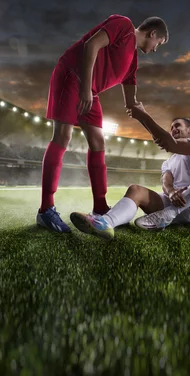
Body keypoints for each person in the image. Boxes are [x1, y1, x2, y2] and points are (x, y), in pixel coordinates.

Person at [37, 14, 169, 233]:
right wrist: (86, 88)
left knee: (98, 142)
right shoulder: (124, 25)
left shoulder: (133, 61)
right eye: (159, 43)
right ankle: (45, 210)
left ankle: (100, 207)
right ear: (153, 33)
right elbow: (91, 45)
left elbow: (132, 104)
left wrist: (155, 129)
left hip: (91, 91)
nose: (156, 49)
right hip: (71, 75)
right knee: (62, 136)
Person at [70, 110, 190, 240]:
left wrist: (142, 115)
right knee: (135, 190)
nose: (173, 129)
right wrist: (171, 192)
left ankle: (169, 214)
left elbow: (170, 143)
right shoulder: (168, 162)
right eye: (171, 127)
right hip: (171, 202)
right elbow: (166, 180)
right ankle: (106, 223)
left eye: (177, 125)